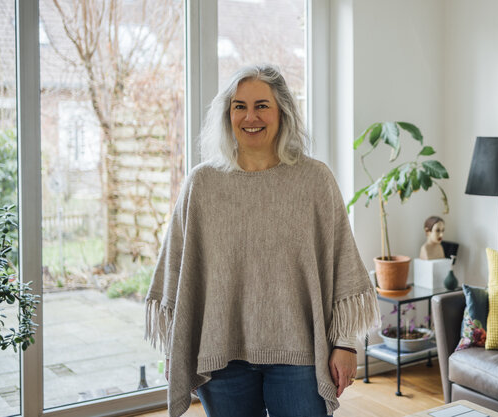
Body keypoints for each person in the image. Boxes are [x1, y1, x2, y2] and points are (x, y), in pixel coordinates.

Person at [145, 64, 380, 417]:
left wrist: (345, 344)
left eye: (262, 105)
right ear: (227, 114)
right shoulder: (203, 184)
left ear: (282, 111)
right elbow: (179, 273)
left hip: (300, 356)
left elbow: (342, 263)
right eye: (239, 106)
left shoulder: (314, 180)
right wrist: (177, 350)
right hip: (222, 356)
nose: (250, 116)